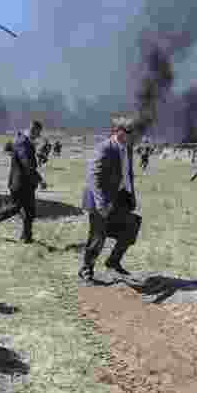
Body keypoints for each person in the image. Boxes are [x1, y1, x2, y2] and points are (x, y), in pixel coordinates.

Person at [79, 121, 141, 282]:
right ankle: (86, 268)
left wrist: (131, 195)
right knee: (98, 236)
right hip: (101, 198)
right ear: (118, 131)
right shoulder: (105, 148)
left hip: (120, 197)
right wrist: (101, 203)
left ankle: (113, 261)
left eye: (133, 132)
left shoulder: (127, 148)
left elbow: (128, 174)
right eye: (128, 131)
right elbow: (93, 177)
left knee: (132, 225)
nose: (131, 135)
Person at [0, 120, 43, 243]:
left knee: (30, 211)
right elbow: (27, 165)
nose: (38, 136)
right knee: (14, 207)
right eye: (37, 133)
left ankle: (26, 237)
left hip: (27, 183)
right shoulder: (22, 142)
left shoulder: (26, 142)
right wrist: (40, 179)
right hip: (20, 183)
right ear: (33, 130)